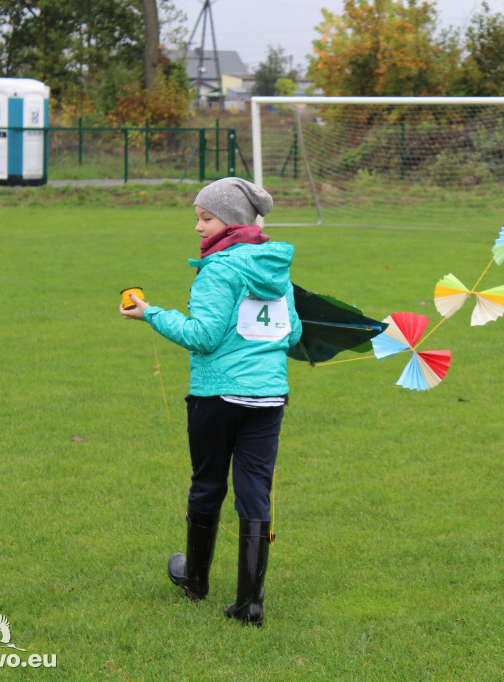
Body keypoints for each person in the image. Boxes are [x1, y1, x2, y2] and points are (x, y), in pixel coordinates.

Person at [120, 177, 302, 623]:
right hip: (268, 399)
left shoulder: (218, 269)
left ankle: (195, 580)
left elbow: (202, 337)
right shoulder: (275, 268)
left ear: (231, 222)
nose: (198, 228)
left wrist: (151, 313)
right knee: (256, 493)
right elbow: (293, 333)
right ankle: (250, 603)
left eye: (205, 218)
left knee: (207, 484)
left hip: (217, 396)